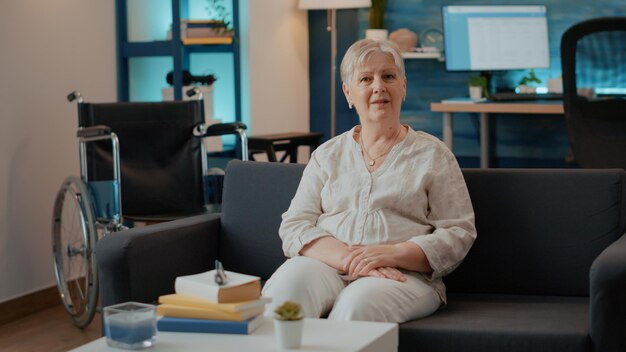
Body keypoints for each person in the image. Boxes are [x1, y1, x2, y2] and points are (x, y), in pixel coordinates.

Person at [262, 39, 476, 323]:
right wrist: (352, 260)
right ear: (348, 93)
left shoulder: (433, 154)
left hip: (403, 276)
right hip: (326, 265)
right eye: (365, 78)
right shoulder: (327, 154)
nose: (378, 87)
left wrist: (393, 254)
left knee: (356, 306)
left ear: (403, 86)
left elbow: (458, 232)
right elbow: (294, 225)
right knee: (285, 294)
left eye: (388, 76)